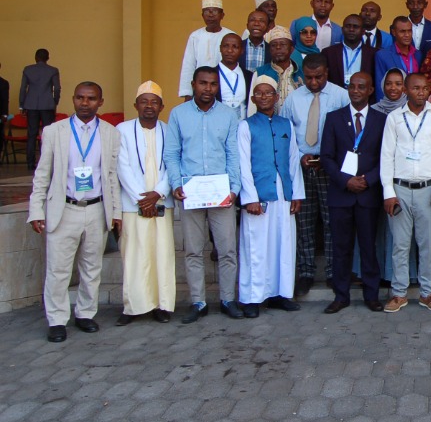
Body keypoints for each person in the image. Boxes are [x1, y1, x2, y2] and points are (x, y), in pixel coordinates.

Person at [28, 82, 122, 342]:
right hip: (64, 209)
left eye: (91, 98)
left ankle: (85, 313)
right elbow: (42, 174)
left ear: (100, 102)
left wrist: (116, 212)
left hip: (95, 209)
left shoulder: (110, 133)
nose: (85, 103)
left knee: (92, 267)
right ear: (73, 99)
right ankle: (57, 319)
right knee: (58, 269)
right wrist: (36, 210)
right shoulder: (54, 131)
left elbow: (112, 176)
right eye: (80, 97)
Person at [163, 66, 242, 323]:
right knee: (193, 251)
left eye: (213, 84)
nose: (208, 89)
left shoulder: (229, 116)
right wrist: (176, 184)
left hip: (222, 195)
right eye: (203, 83)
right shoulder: (178, 114)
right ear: (193, 84)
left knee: (228, 249)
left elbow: (233, 155)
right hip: (190, 194)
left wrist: (234, 189)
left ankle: (228, 299)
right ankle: (198, 302)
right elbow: (172, 153)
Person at [380, 72, 431, 313]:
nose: (420, 92)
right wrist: (388, 192)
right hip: (400, 188)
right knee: (400, 245)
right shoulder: (394, 118)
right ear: (405, 91)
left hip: (428, 190)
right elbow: (386, 156)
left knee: (427, 244)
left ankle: (427, 292)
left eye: (424, 88)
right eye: (415, 88)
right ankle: (399, 293)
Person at [280, 53, 349, 296]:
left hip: (331, 168)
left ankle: (333, 272)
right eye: (308, 78)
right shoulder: (293, 98)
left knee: (332, 221)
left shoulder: (341, 96)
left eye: (318, 77)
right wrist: (300, 156)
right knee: (305, 221)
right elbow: (285, 133)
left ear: (327, 73)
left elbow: (347, 134)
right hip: (303, 167)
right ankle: (306, 272)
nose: (313, 83)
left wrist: (329, 159)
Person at [237, 76, 305, 317]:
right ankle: (252, 298)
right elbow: (243, 165)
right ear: (253, 98)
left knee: (283, 244)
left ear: (277, 98)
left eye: (269, 93)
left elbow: (294, 160)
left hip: (284, 194)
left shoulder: (285, 125)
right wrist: (250, 198)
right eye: (259, 93)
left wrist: (297, 193)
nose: (264, 97)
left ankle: (281, 293)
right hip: (259, 195)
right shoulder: (246, 126)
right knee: (256, 246)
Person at [321, 72, 387, 313]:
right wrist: (346, 181)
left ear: (370, 91)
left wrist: (368, 180)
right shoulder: (334, 118)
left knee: (369, 247)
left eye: (362, 86)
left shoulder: (382, 120)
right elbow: (327, 157)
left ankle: (372, 295)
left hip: (368, 195)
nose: (356, 90)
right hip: (341, 194)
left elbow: (386, 157)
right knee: (341, 248)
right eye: (352, 86)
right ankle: (341, 296)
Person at [115, 81, 175, 326]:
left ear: (162, 106)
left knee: (162, 253)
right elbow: (122, 166)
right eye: (144, 101)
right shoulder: (122, 130)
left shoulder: (169, 130)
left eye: (154, 102)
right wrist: (142, 199)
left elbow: (174, 164)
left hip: (161, 202)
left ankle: (163, 305)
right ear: (135, 105)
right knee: (134, 254)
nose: (149, 106)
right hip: (134, 203)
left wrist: (158, 193)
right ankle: (134, 307)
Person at [371, 69, 412, 286]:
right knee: (380, 228)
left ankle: (402, 276)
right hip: (376, 176)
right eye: (389, 84)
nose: (393, 88)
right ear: (382, 85)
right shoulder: (374, 111)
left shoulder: (411, 110)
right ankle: (382, 273)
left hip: (403, 177)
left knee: (402, 231)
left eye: (398, 84)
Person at [179, 0, 234, 98]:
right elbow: (188, 65)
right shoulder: (195, 36)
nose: (210, 14)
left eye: (214, 11)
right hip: (201, 88)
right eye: (206, 11)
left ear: (222, 15)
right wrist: (188, 93)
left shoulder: (230, 35)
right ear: (202, 15)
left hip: (225, 86)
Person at [19, 48, 61, 169]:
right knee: (48, 134)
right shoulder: (53, 70)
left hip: (31, 105)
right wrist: (55, 102)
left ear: (35, 57)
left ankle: (30, 163)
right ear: (48, 58)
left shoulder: (28, 69)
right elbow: (57, 89)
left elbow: (23, 88)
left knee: (31, 134)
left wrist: (22, 104)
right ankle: (46, 163)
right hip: (47, 105)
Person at [375, 16, 423, 102]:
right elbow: (380, 86)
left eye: (409, 31)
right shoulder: (382, 55)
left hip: (414, 103)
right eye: (402, 31)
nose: (407, 35)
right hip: (392, 105)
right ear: (394, 32)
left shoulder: (418, 54)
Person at [255, 26, 304, 111]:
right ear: (270, 50)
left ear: (291, 49)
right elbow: (253, 106)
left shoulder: (302, 73)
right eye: (274, 45)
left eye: (283, 44)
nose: (278, 47)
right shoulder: (260, 73)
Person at [324, 13, 377, 89]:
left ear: (363, 31)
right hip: (336, 98)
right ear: (342, 30)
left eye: (355, 27)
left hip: (363, 98)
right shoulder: (328, 53)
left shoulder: (373, 54)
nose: (351, 29)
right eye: (348, 26)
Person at [216, 33, 252, 119]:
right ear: (220, 48)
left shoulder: (249, 76)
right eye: (226, 46)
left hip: (242, 127)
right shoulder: (211, 75)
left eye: (235, 47)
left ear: (242, 50)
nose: (230, 50)